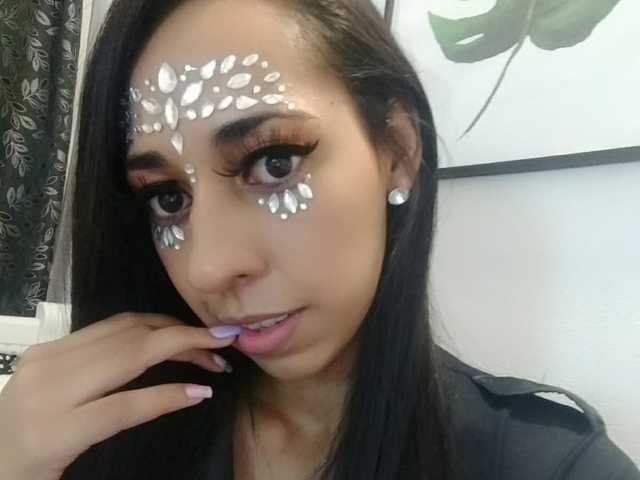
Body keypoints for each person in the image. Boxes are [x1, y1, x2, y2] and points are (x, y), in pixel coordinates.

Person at [0, 0, 637, 479]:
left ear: (396, 150)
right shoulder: (108, 433)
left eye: (273, 163)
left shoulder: (550, 466)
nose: (208, 267)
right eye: (168, 198)